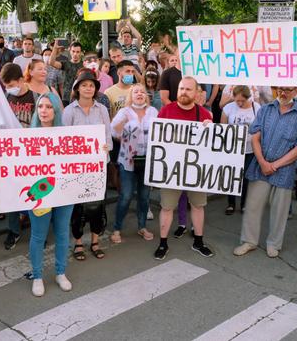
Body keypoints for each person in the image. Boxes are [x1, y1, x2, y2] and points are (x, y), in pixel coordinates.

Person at [0, 92, 75, 296]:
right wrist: (1, 161)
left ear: (56, 110)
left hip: (65, 192)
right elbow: (15, 162)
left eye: (48, 107)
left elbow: (83, 157)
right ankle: (37, 275)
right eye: (40, 107)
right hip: (40, 194)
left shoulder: (69, 134)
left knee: (63, 233)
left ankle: (60, 272)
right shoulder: (25, 136)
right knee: (38, 235)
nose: (44, 111)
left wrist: (99, 149)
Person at [234, 87, 297, 259]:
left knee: (280, 210)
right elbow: (255, 137)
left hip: (284, 171)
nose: (283, 93)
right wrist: (262, 161)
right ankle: (249, 241)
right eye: (281, 89)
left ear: (296, 90)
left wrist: (274, 165)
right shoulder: (265, 110)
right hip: (260, 167)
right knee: (252, 205)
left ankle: (274, 244)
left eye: (288, 90)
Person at [154, 76, 215, 260]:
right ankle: (163, 243)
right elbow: (157, 138)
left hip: (196, 169)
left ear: (197, 93)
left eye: (188, 89)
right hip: (171, 169)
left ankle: (199, 241)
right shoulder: (166, 110)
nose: (183, 92)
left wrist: (211, 129)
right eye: (181, 89)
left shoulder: (204, 114)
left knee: (198, 205)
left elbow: (212, 145)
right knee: (167, 207)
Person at [62, 69, 112, 260]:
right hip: (77, 167)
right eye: (84, 85)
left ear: (96, 89)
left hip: (98, 165)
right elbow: (65, 139)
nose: (88, 88)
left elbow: (107, 134)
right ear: (77, 88)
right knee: (79, 206)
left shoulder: (102, 109)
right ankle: (78, 242)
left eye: (91, 85)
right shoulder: (69, 111)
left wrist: (106, 147)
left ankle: (95, 240)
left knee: (98, 204)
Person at [110, 84, 158, 244]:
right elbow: (113, 132)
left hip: (147, 160)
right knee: (126, 195)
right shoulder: (124, 112)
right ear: (131, 95)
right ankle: (117, 228)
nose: (140, 94)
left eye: (142, 92)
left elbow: (160, 132)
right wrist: (124, 125)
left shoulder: (153, 112)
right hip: (128, 161)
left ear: (146, 96)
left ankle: (142, 227)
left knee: (144, 197)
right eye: (136, 91)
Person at [0, 62, 36, 245]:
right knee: (12, 194)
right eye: (6, 86)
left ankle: (37, 233)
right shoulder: (6, 98)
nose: (9, 89)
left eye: (12, 85)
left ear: (21, 80)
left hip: (33, 155)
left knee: (34, 193)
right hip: (12, 155)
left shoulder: (36, 98)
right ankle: (14, 230)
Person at [220, 86, 261, 215]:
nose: (239, 103)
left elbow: (261, 128)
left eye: (242, 101)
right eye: (237, 100)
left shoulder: (257, 108)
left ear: (248, 97)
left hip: (250, 149)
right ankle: (231, 203)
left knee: (246, 178)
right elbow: (223, 128)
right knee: (232, 176)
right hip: (233, 148)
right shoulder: (229, 108)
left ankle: (244, 204)